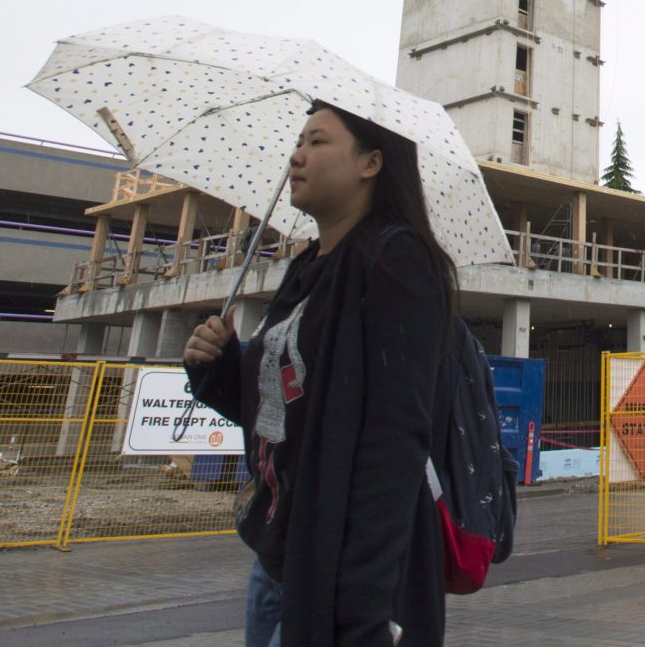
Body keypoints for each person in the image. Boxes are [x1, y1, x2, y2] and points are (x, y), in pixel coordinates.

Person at [184, 102, 457, 647]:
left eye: (317, 141)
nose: (296, 156)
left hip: (339, 573)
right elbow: (282, 413)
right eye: (298, 141)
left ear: (371, 162)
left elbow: (393, 442)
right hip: (279, 557)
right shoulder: (306, 269)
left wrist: (362, 611)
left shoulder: (396, 261)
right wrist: (216, 368)